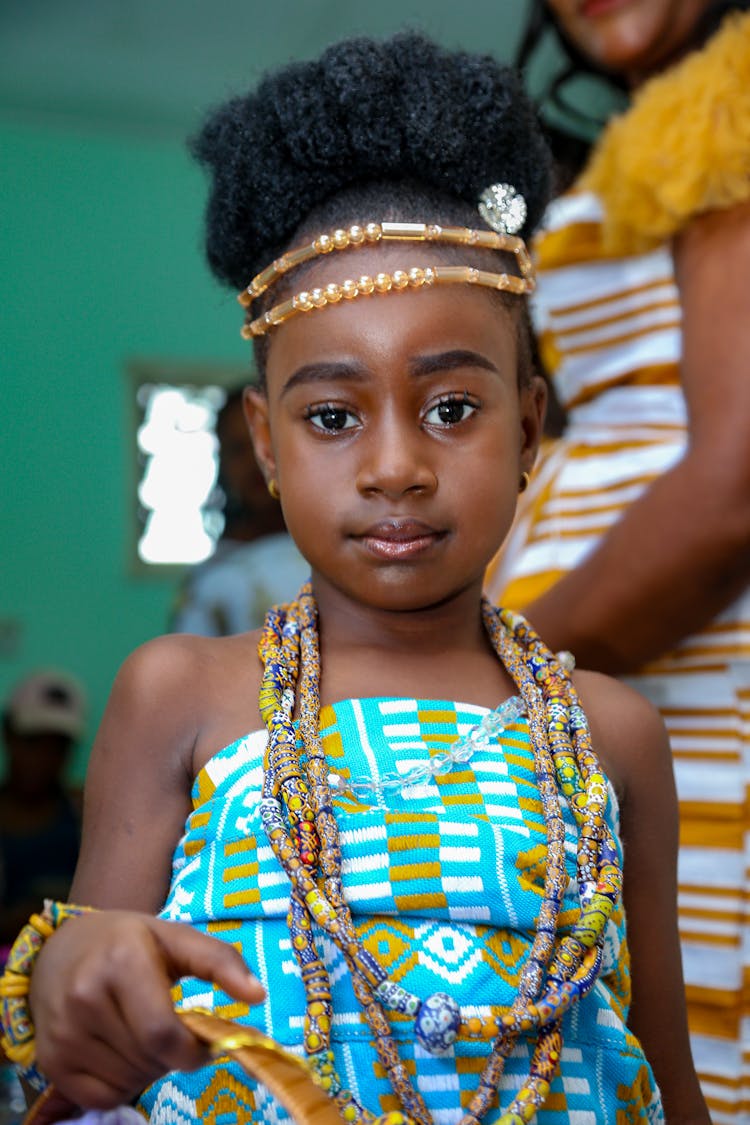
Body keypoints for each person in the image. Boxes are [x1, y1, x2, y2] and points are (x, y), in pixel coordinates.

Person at [0, 33, 709, 1125]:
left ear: (529, 427)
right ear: (267, 443)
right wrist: (69, 980)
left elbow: (664, 1073)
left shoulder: (611, 737)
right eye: (333, 417)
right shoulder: (180, 696)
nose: (394, 467)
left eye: (452, 409)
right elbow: (88, 1028)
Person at [484, 1, 750, 1114]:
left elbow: (737, 481)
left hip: (692, 663)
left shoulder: (731, 110)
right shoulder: (653, 135)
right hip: (610, 667)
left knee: (689, 1011)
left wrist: (499, 667)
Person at [170, 386, 309, 636]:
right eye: (237, 449)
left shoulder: (330, 551)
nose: (254, 460)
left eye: (269, 442)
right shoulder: (213, 575)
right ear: (222, 462)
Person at [0, 671, 85, 949]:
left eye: (57, 747)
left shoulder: (85, 818)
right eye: (33, 742)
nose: (43, 759)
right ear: (8, 735)